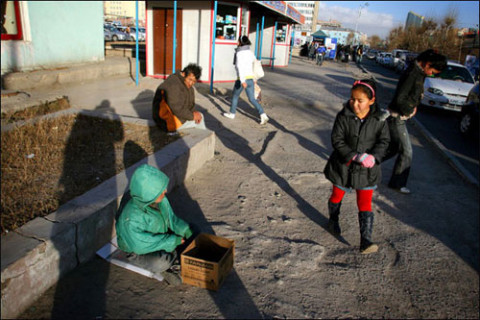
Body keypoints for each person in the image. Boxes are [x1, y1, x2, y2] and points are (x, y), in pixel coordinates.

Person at [324, 79, 390, 254]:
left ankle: (366, 240)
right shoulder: (343, 115)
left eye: (360, 100)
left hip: (367, 169)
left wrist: (374, 157)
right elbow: (337, 140)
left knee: (365, 202)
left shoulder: (379, 119)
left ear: (371, 101)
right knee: (337, 194)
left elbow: (384, 141)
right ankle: (333, 220)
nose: (355, 104)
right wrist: (354, 155)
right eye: (352, 99)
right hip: (343, 166)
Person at [383, 49, 447, 194]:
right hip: (397, 116)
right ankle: (397, 183)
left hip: (398, 115)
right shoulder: (413, 73)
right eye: (432, 71)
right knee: (407, 151)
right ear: (427, 64)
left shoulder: (419, 72)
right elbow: (400, 98)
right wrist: (408, 110)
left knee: (393, 148)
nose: (431, 74)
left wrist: (413, 106)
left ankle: (366, 165)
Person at [115, 164, 193, 281]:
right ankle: (168, 266)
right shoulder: (130, 218)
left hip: (159, 235)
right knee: (160, 262)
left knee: (193, 230)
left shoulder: (158, 199)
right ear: (148, 194)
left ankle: (174, 255)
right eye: (161, 190)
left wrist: (185, 230)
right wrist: (172, 241)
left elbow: (171, 219)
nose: (165, 191)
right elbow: (140, 245)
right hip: (139, 250)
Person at [223, 35, 269, 125]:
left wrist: (242, 81)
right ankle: (263, 114)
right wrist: (254, 78)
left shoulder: (239, 53)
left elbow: (240, 67)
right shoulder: (250, 52)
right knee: (252, 99)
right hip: (250, 78)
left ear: (240, 42)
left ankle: (232, 114)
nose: (237, 43)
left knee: (235, 96)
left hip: (242, 79)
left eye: (238, 41)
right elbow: (254, 64)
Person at [152, 63, 205, 135]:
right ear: (183, 74)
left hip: (176, 116)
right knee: (200, 120)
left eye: (194, 81)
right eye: (190, 79)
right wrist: (192, 116)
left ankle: (200, 138)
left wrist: (194, 113)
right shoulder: (173, 84)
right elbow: (177, 108)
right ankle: (202, 139)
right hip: (166, 121)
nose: (191, 83)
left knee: (199, 116)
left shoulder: (189, 87)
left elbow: (190, 106)